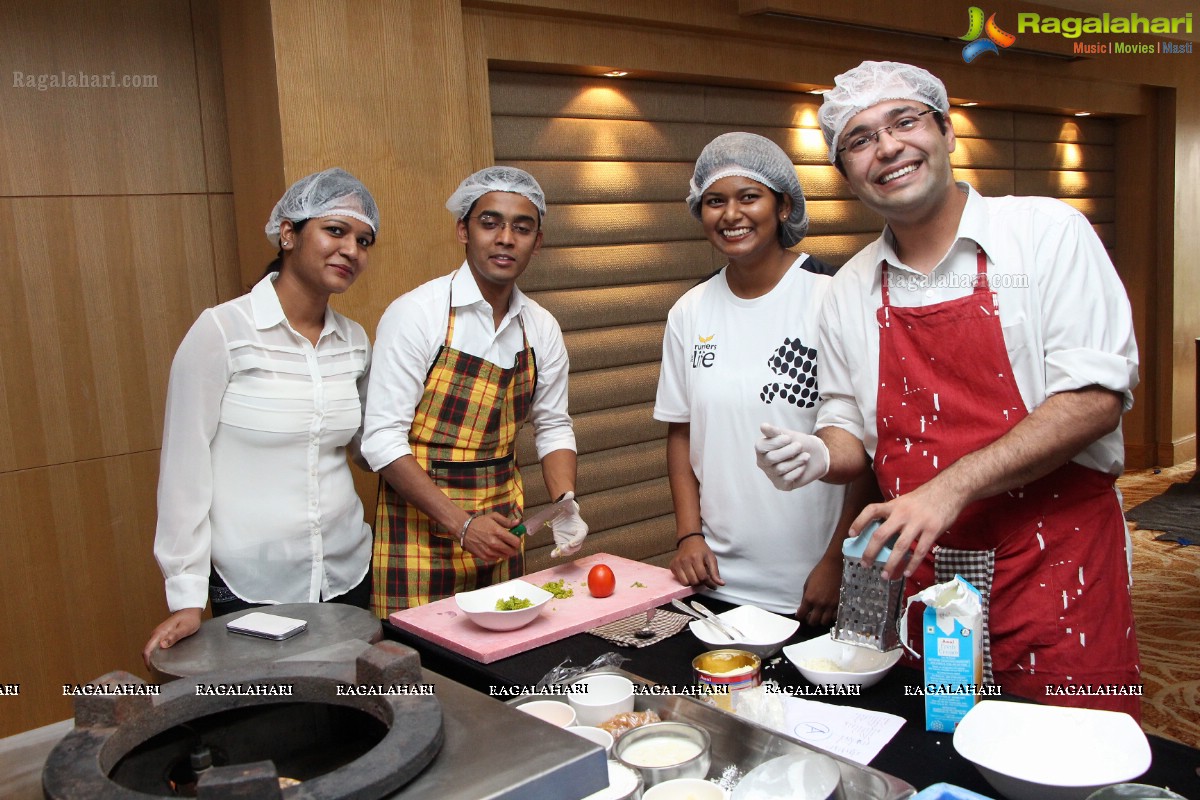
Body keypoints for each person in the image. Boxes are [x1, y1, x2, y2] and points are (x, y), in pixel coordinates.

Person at [755, 61, 1140, 716]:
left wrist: (948, 488)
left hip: (1058, 554)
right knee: (940, 746)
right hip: (927, 571)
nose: (888, 147)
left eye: (903, 121)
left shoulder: (1047, 235)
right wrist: (823, 454)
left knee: (1072, 750)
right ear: (847, 173)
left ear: (946, 129)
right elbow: (851, 423)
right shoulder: (848, 289)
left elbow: (1094, 399)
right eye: (860, 139)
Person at [143, 168, 379, 667]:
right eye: (335, 231)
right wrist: (185, 595)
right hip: (253, 582)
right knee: (277, 722)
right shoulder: (223, 331)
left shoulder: (355, 341)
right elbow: (185, 468)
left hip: (347, 571)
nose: (351, 250)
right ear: (288, 233)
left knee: (348, 718)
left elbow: (363, 447)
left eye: (363, 240)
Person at [654, 132, 874, 623]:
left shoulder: (833, 296)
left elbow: (870, 443)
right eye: (715, 201)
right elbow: (681, 431)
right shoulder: (689, 312)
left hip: (813, 583)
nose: (731, 214)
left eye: (748, 196)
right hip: (716, 583)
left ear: (783, 206)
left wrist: (839, 561)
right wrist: (688, 535)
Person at [363, 166, 586, 614]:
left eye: (522, 228)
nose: (506, 238)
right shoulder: (417, 315)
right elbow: (381, 441)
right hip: (419, 534)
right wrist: (463, 526)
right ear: (463, 230)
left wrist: (566, 503)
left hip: (504, 529)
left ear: (537, 242)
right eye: (491, 223)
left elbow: (553, 425)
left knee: (497, 669)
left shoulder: (540, 328)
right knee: (419, 676)